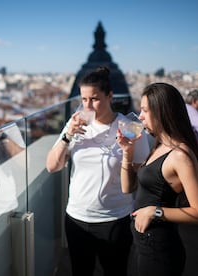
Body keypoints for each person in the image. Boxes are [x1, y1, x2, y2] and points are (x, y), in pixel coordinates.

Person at [46, 67, 149, 276]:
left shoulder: (129, 126)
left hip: (115, 219)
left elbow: (140, 178)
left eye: (94, 99)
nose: (88, 106)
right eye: (83, 100)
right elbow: (52, 166)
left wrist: (127, 153)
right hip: (77, 218)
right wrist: (67, 135)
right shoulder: (75, 124)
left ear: (110, 96)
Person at [117, 82, 198, 276]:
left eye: (144, 110)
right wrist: (127, 153)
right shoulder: (159, 145)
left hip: (159, 251)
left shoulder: (180, 155)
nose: (140, 116)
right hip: (142, 244)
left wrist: (155, 211)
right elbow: (127, 187)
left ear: (162, 112)